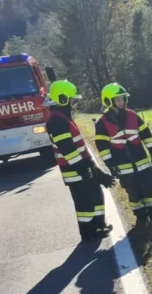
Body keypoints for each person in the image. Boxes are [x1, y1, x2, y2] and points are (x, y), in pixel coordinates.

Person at [45, 80, 116, 240]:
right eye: (72, 99)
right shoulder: (57, 121)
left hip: (80, 168)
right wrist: (87, 169)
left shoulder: (62, 117)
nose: (74, 103)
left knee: (96, 196)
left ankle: (98, 227)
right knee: (85, 203)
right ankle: (88, 232)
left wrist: (94, 170)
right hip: (76, 171)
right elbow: (68, 151)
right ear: (63, 99)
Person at [94, 83, 152, 226]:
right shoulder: (102, 123)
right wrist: (111, 166)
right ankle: (141, 218)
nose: (122, 102)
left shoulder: (133, 115)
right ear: (109, 101)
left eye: (123, 99)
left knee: (149, 188)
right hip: (123, 165)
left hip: (141, 161)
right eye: (118, 99)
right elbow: (103, 147)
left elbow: (146, 135)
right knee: (133, 192)